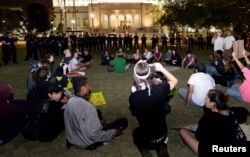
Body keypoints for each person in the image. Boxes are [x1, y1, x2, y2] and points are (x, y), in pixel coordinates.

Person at [129, 60, 178, 157]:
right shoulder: (161, 89)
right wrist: (161, 69)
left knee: (136, 132)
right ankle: (162, 147)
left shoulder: (133, 97)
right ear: (150, 74)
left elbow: (137, 108)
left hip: (147, 139)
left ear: (135, 76)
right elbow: (174, 81)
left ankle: (145, 151)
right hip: (162, 134)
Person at [64, 77, 128, 150]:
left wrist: (97, 122)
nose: (89, 88)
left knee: (98, 114)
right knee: (123, 122)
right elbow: (95, 135)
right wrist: (114, 133)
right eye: (88, 86)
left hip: (72, 138)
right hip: (86, 143)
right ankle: (106, 139)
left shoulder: (70, 101)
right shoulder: (88, 107)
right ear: (83, 89)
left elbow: (78, 120)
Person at [179, 89, 246, 157]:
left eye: (207, 98)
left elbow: (199, 137)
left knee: (183, 131)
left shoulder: (208, 118)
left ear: (212, 104)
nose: (204, 99)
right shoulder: (230, 112)